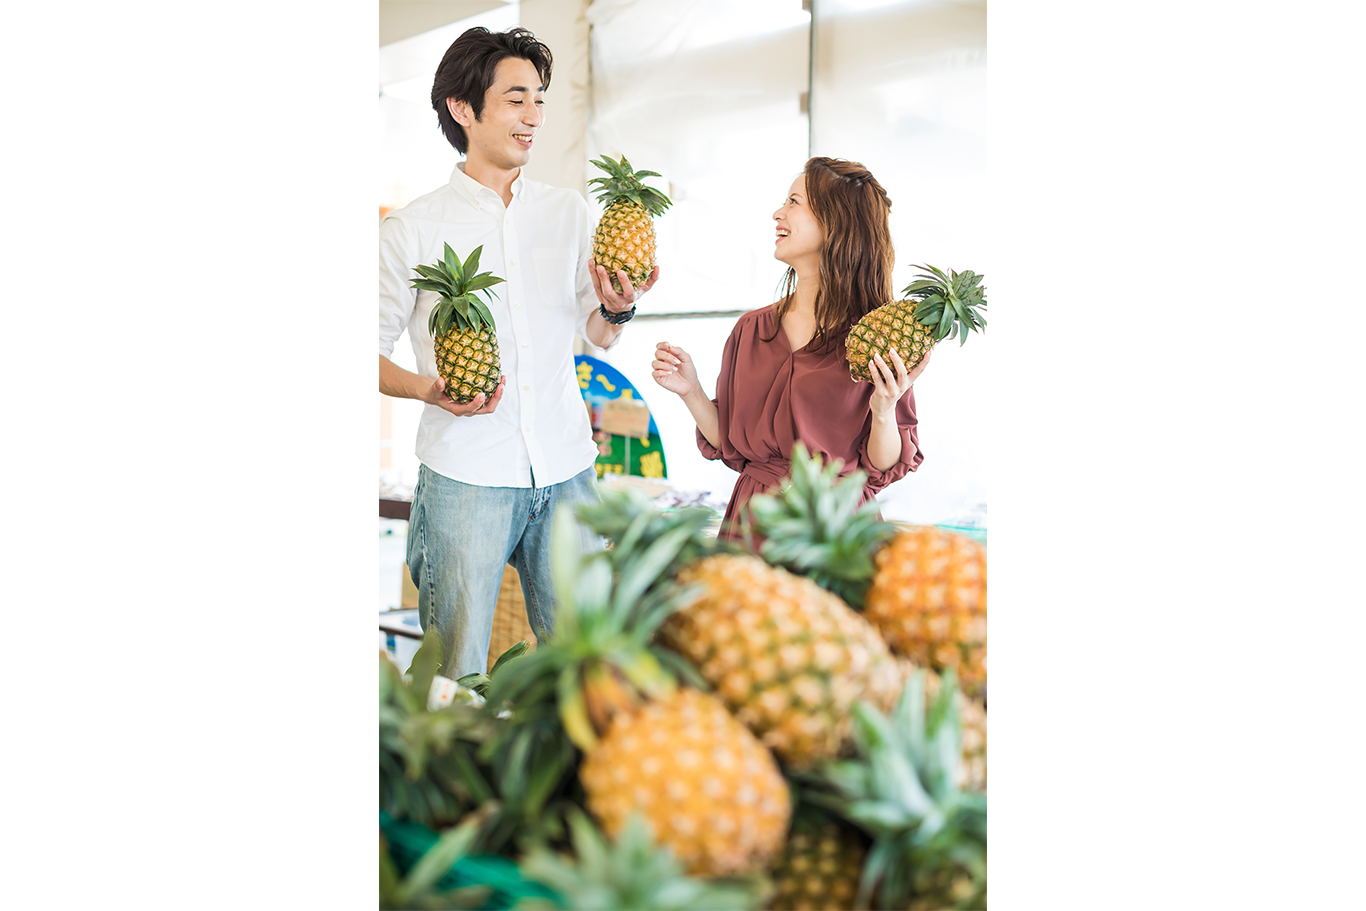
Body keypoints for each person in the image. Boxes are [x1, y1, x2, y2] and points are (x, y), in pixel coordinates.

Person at [378, 27, 657, 678]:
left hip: (567, 468)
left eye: (539, 100)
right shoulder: (411, 229)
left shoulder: (569, 213)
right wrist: (426, 390)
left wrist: (620, 306)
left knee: (585, 665)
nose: (533, 116)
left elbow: (598, 331)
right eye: (515, 99)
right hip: (464, 473)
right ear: (462, 108)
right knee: (455, 673)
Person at [651, 156, 925, 535]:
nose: (778, 213)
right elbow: (731, 444)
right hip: (754, 523)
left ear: (835, 221)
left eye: (794, 202)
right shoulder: (750, 331)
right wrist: (691, 391)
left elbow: (882, 468)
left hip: (835, 531)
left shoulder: (875, 339)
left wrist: (883, 410)